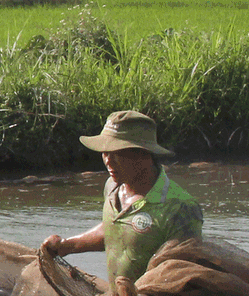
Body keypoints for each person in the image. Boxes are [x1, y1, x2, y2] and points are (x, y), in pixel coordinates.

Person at [41, 110, 204, 285]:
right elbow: (115, 229)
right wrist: (67, 245)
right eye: (105, 153)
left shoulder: (179, 208)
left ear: (143, 155)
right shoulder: (112, 186)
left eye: (116, 153)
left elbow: (185, 274)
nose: (108, 161)